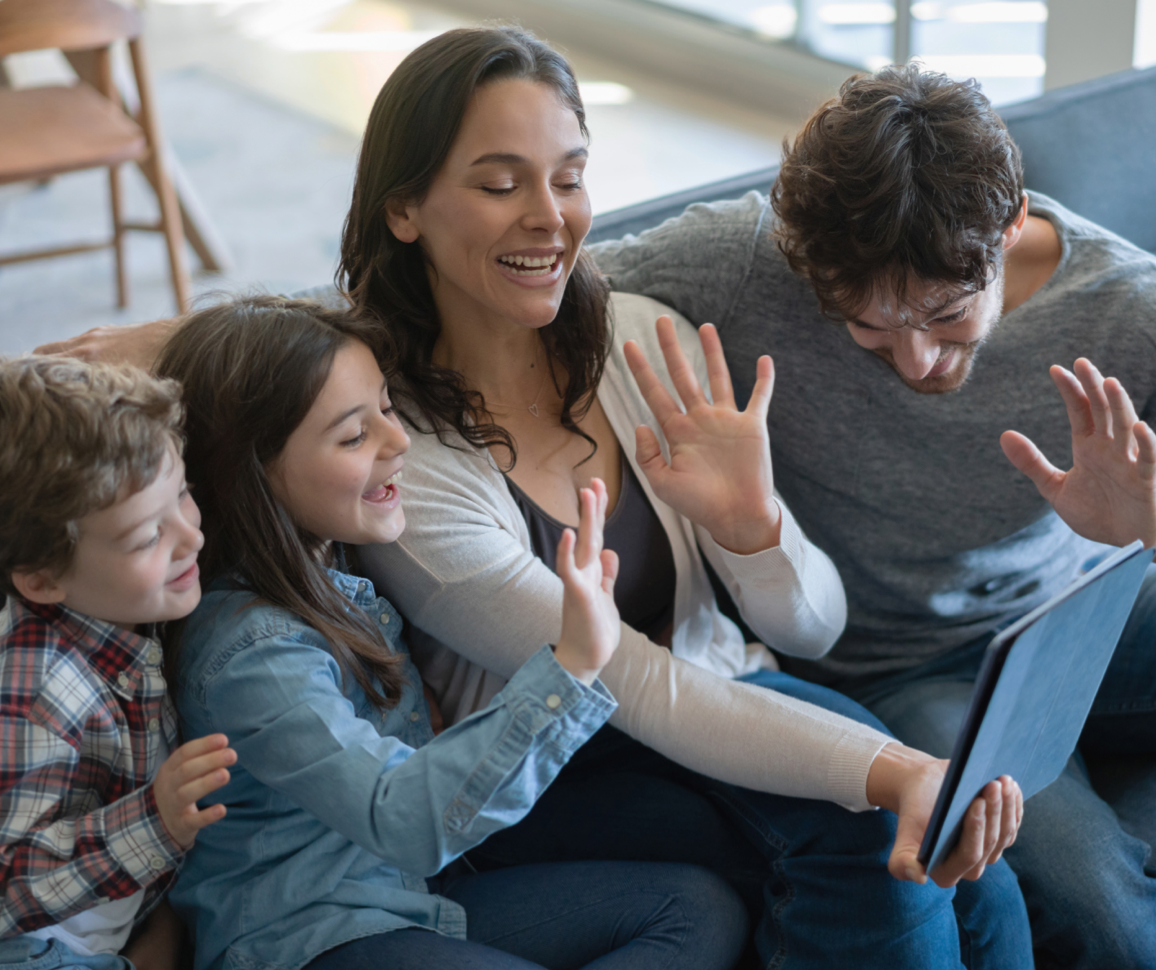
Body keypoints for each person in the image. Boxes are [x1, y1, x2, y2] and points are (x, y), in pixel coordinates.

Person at [35, 28, 1031, 970]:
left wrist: (751, 527)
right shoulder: (401, 460)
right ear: (403, 208)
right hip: (553, 766)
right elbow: (631, 687)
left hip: (719, 693)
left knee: (968, 849)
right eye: (499, 182)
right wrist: (885, 771)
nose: (550, 216)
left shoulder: (641, 337)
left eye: (569, 177)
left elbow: (809, 628)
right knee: (879, 826)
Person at [589, 63, 1156, 970]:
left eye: (948, 319)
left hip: (1087, 618)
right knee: (1101, 915)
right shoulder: (742, 260)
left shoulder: (1141, 313)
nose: (915, 360)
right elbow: (534, 290)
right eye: (868, 329)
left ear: (1008, 225)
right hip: (903, 675)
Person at [154, 296, 752, 970]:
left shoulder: (334, 564)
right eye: (355, 436)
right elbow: (402, 818)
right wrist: (573, 664)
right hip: (312, 938)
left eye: (387, 408)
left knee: (695, 910)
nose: (399, 440)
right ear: (250, 470)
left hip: (415, 901)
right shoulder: (254, 652)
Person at [0, 356, 234, 970]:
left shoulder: (122, 600)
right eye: (146, 538)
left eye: (182, 494)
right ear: (42, 580)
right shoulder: (35, 691)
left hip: (115, 909)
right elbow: (6, 886)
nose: (191, 536)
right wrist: (154, 820)